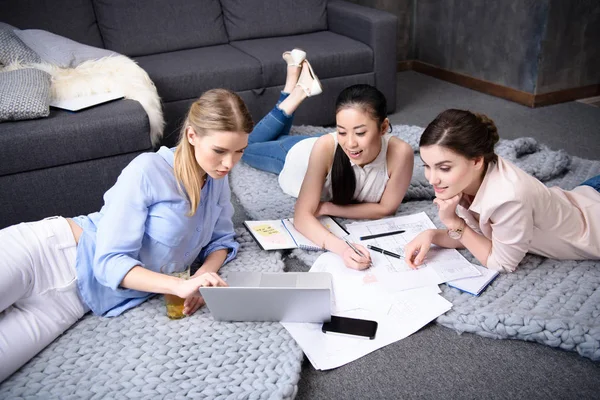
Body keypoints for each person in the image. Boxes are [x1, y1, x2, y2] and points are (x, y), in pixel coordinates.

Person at [0, 88, 254, 382]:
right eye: (220, 151)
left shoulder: (216, 178)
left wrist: (202, 280)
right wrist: (176, 284)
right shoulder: (147, 171)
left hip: (76, 301)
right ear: (192, 135)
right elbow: (108, 262)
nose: (229, 164)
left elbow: (221, 241)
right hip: (48, 252)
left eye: (239, 152)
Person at [242, 49, 414, 270]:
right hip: (297, 155)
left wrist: (328, 208)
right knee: (246, 148)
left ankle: (294, 81)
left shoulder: (401, 152)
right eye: (341, 131)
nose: (350, 142)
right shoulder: (326, 146)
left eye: (360, 133)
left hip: (324, 149)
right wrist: (343, 248)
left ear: (383, 127)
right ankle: (296, 91)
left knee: (276, 135)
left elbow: (386, 208)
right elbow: (302, 217)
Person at [404, 108, 600, 272]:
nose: (431, 179)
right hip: (584, 194)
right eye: (427, 166)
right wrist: (432, 235)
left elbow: (502, 263)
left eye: (444, 168)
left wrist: (454, 221)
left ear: (476, 161)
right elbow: (476, 239)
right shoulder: (467, 178)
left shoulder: (509, 198)